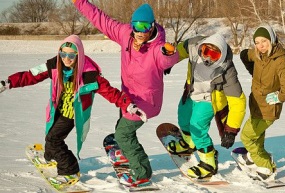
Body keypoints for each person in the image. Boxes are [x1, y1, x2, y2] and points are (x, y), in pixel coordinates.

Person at [0, 35, 145, 186]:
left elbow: (110, 92)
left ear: (79, 55)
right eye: (63, 54)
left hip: (73, 114)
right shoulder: (55, 64)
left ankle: (69, 168)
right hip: (57, 108)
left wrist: (128, 105)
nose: (66, 59)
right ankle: (50, 156)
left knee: (54, 139)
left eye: (71, 55)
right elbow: (31, 75)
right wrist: (9, 82)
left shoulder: (89, 74)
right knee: (50, 133)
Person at [72, 0, 180, 186]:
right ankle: (128, 149)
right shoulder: (125, 34)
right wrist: (79, 1)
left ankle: (142, 172)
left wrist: (170, 54)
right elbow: (100, 19)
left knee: (123, 134)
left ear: (152, 26)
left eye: (144, 27)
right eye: (136, 26)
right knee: (123, 129)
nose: (139, 31)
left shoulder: (157, 48)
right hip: (128, 97)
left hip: (146, 101)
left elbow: (166, 59)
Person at [166, 33, 246, 179]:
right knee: (183, 117)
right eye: (206, 52)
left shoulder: (227, 70)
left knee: (197, 127)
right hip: (191, 93)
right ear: (201, 48)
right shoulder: (193, 45)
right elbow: (179, 51)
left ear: (221, 56)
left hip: (209, 100)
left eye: (214, 55)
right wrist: (168, 61)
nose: (208, 58)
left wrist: (231, 129)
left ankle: (209, 163)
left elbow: (237, 100)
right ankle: (188, 144)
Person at [238, 25, 285, 181]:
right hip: (256, 104)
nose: (260, 45)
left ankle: (266, 166)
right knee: (258, 135)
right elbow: (245, 55)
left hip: (268, 109)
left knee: (247, 137)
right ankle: (254, 156)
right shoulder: (257, 54)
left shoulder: (280, 60)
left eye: (264, 41)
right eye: (257, 42)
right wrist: (253, 70)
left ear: (272, 39)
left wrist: (279, 98)